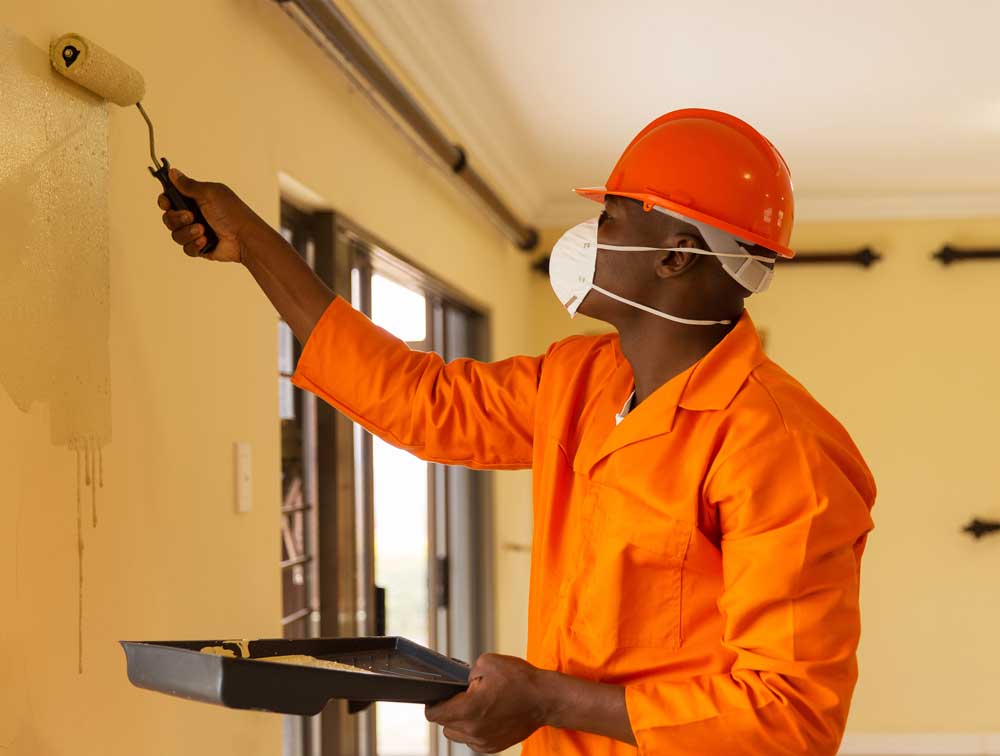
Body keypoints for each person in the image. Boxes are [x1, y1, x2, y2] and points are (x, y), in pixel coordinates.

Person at [158, 108, 875, 755]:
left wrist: (549, 698)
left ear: (676, 254)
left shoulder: (780, 447)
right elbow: (418, 401)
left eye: (611, 219)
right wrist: (252, 238)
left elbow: (789, 717)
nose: (589, 238)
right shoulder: (582, 380)